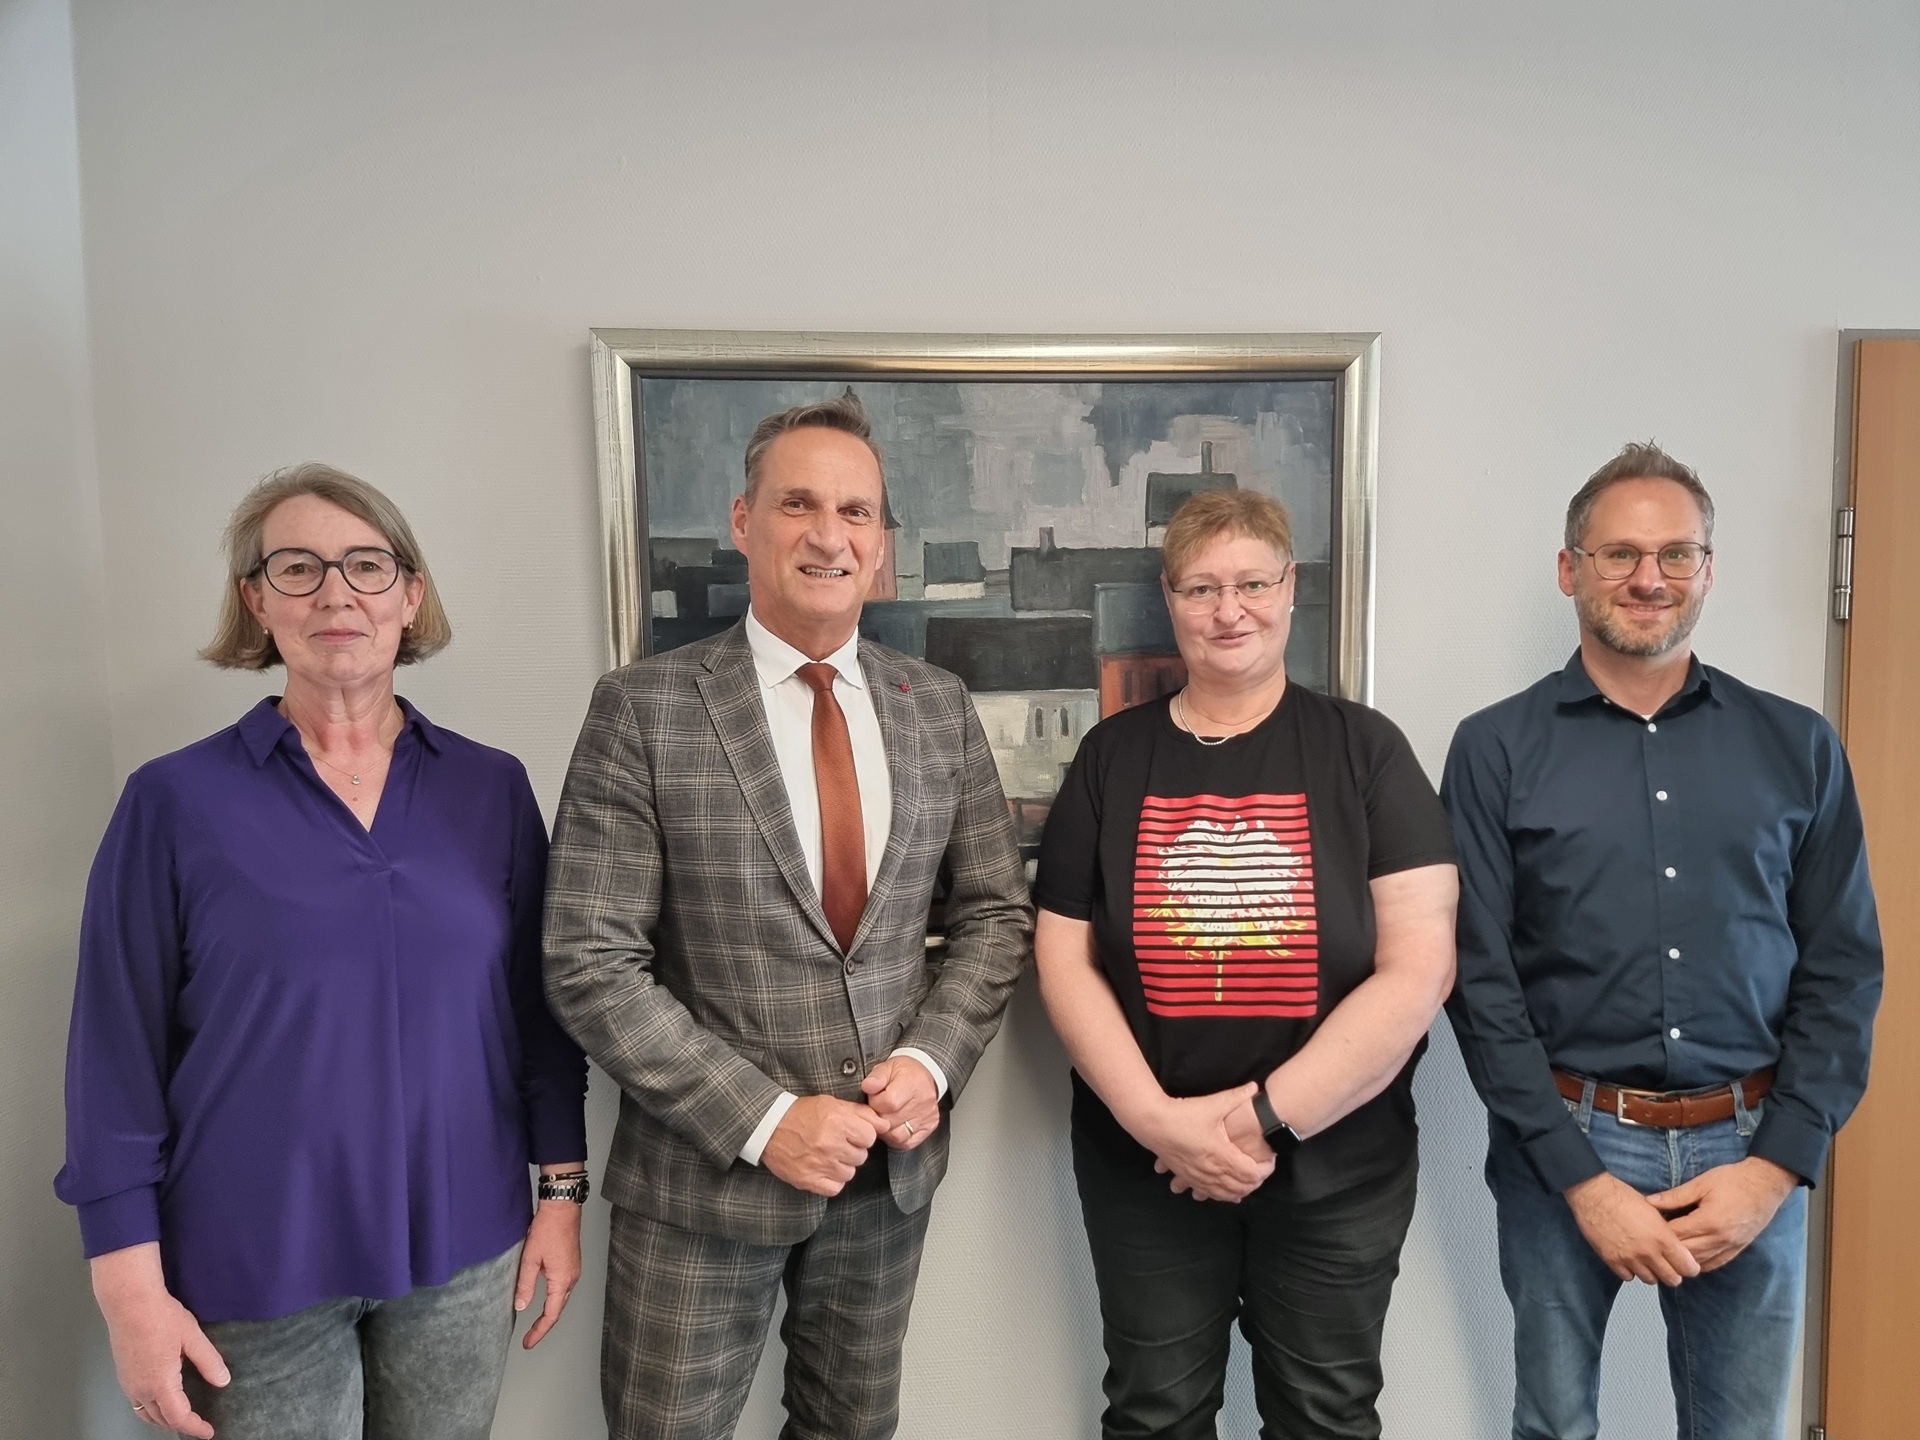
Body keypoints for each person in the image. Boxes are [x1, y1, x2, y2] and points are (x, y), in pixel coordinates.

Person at [56, 464, 590, 1440]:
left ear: (411, 595)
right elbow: (113, 1058)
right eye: (297, 568)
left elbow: (539, 1022)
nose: (336, 593)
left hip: (465, 1252)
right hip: (255, 1262)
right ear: (256, 601)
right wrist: (127, 1286)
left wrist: (561, 1196)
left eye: (367, 565)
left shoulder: (491, 790)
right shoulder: (174, 803)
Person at [543, 392, 1030, 1440]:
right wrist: (768, 1123)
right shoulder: (645, 707)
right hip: (700, 1183)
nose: (829, 534)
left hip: (883, 1180)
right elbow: (589, 960)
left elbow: (995, 913)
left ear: (882, 542)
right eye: (799, 504)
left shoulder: (935, 705)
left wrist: (932, 1064)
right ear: (742, 521)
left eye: (857, 513)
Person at [1443, 442, 1883, 1440]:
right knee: (1553, 1426)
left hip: (1749, 1146)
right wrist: (1582, 1181)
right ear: (1570, 570)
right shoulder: (1494, 749)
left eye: (1677, 554)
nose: (1650, 578)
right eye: (1620, 554)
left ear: (1708, 571)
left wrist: (1776, 1167)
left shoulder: (1798, 744)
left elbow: (1844, 966)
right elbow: (1478, 979)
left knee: (1741, 1431)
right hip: (1565, 1142)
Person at [1032, 488, 1459, 1440]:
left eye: (1253, 583)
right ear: (1171, 598)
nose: (1231, 610)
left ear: (1290, 588)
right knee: (1154, 1415)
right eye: (1203, 587)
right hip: (1145, 1167)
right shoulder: (1110, 759)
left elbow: (1419, 969)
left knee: (1325, 1418)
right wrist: (1158, 1123)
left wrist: (1262, 1122)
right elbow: (1061, 954)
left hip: (1337, 1168)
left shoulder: (1367, 751)